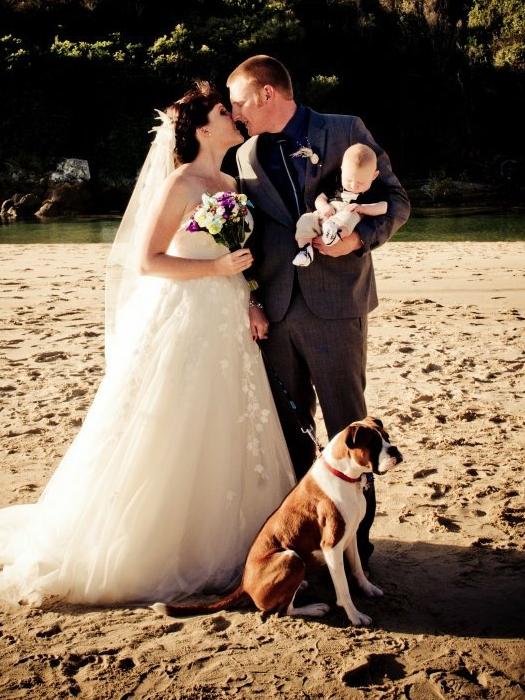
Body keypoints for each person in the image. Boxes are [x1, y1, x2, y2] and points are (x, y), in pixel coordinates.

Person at [0, 81, 295, 607]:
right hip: (186, 316)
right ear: (205, 128)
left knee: (229, 421)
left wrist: (248, 296)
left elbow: (237, 254)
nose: (233, 116)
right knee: (175, 420)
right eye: (224, 111)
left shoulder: (229, 178)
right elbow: (147, 261)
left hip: (228, 314)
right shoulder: (181, 183)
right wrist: (214, 268)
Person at [227, 56, 410, 568]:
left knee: (351, 432)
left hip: (336, 308)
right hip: (278, 312)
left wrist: (357, 238)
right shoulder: (243, 158)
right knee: (289, 433)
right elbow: (251, 235)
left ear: (267, 94)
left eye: (240, 100)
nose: (235, 111)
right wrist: (254, 298)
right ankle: (307, 544)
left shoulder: (343, 130)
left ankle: (359, 548)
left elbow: (395, 200)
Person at [293, 143, 388, 267]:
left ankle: (333, 234)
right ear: (342, 169)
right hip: (326, 214)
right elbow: (320, 198)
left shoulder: (374, 189)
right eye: (349, 180)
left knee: (350, 216)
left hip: (348, 217)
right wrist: (324, 207)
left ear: (374, 176)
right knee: (305, 220)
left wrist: (363, 208)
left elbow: (383, 207)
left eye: (361, 183)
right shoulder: (335, 180)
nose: (353, 186)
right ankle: (306, 250)